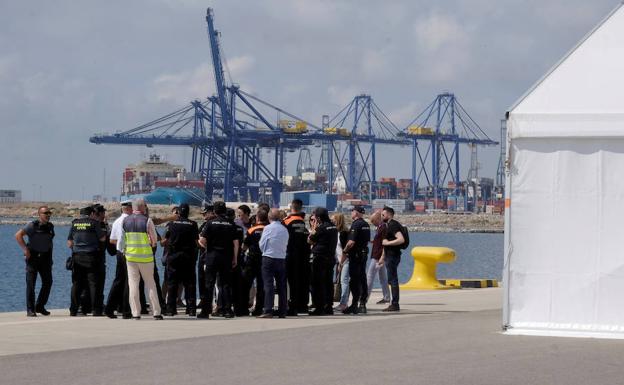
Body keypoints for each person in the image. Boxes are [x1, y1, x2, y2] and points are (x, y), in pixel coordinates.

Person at [120, 198, 163, 320]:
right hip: (145, 257)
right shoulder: (147, 221)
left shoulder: (125, 221)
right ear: (142, 207)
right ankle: (156, 312)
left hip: (131, 257)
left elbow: (122, 241)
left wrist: (125, 251)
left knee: (133, 284)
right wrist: (152, 245)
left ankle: (135, 313)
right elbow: (154, 239)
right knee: (150, 284)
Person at [198, 201, 239, 319]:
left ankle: (205, 311)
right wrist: (235, 258)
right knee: (225, 284)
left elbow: (202, 241)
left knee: (209, 284)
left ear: (214, 211)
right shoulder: (231, 224)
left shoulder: (210, 223)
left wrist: (208, 248)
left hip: (212, 256)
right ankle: (227, 310)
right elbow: (235, 243)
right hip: (226, 257)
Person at [15, 206, 55, 317]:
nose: (48, 215)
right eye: (45, 213)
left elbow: (49, 243)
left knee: (48, 282)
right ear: (39, 214)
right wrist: (25, 249)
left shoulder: (50, 227)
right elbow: (18, 236)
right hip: (33, 258)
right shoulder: (32, 225)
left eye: (49, 213)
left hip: (46, 258)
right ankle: (30, 310)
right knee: (31, 284)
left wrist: (50, 258)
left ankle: (40, 306)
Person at [67, 206, 106, 316]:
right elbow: (102, 238)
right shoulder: (94, 223)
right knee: (93, 284)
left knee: (76, 284)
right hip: (91, 256)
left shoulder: (74, 223)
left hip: (77, 257)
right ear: (92, 214)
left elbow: (69, 243)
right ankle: (95, 310)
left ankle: (73, 310)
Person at [162, 203, 199, 317]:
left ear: (178, 212)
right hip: (188, 257)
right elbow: (196, 242)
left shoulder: (171, 224)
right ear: (188, 213)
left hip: (174, 256)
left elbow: (163, 241)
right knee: (190, 284)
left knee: (172, 283)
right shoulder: (193, 224)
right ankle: (191, 309)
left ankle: (171, 309)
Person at [258, 208, 289, 318]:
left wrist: (265, 251)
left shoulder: (268, 228)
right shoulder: (284, 229)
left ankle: (268, 310)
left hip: (269, 257)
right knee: (281, 285)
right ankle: (282, 310)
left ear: (269, 217)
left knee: (268, 284)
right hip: (281, 258)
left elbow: (262, 244)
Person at [105, 200, 133, 319]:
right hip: (129, 253)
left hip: (119, 253)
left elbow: (112, 240)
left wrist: (121, 244)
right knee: (129, 282)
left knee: (118, 280)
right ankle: (126, 310)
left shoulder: (117, 221)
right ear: (129, 208)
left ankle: (110, 308)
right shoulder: (130, 220)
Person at [308, 207, 338, 315]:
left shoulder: (321, 228)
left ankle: (319, 307)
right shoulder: (333, 227)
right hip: (330, 258)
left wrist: (314, 228)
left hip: (319, 258)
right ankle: (328, 306)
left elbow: (310, 240)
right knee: (328, 283)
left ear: (319, 217)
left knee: (317, 283)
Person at [341, 205, 370, 315]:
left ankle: (354, 305)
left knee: (354, 280)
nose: (351, 213)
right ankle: (362, 304)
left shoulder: (356, 224)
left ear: (357, 212)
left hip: (355, 255)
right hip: (363, 254)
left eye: (352, 211)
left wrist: (344, 251)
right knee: (363, 278)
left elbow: (351, 242)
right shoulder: (366, 224)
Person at [283, 199, 310, 315]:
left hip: (289, 255)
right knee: (299, 281)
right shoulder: (302, 223)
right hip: (302, 256)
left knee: (288, 282)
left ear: (291, 208)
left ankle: (290, 306)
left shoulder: (287, 222)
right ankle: (300, 305)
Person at [242, 209, 268, 316]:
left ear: (257, 218)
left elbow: (244, 246)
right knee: (261, 285)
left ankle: (243, 308)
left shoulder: (252, 230)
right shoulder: (268, 229)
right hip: (264, 259)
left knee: (246, 284)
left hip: (252, 259)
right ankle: (259, 309)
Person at [380, 206, 405, 312]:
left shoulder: (393, 225)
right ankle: (394, 303)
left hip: (393, 255)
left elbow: (401, 239)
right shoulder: (389, 225)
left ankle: (395, 304)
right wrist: (382, 257)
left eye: (383, 214)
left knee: (393, 280)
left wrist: (388, 243)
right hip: (390, 255)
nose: (381, 216)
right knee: (391, 279)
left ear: (389, 214)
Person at [367, 211, 391, 304]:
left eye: (373, 221)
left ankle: (365, 298)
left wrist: (382, 256)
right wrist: (374, 241)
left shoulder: (383, 228)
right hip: (379, 255)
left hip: (378, 256)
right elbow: (381, 240)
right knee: (383, 277)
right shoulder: (380, 227)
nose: (373, 224)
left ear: (378, 219)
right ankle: (386, 297)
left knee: (370, 276)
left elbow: (385, 243)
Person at [228, 207, 248, 316]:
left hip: (227, 257)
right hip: (239, 257)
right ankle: (238, 308)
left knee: (225, 284)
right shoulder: (239, 228)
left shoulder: (228, 227)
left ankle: (225, 307)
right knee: (237, 283)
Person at [331, 213, 350, 312]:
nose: (332, 221)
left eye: (333, 219)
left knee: (344, 281)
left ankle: (343, 303)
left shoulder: (343, 233)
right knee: (342, 281)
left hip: (346, 260)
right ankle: (343, 302)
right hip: (341, 260)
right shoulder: (336, 232)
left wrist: (341, 263)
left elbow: (344, 250)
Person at [196, 204, 214, 309]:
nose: (203, 216)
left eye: (205, 213)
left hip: (208, 254)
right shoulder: (204, 225)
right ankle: (203, 300)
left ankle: (209, 302)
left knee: (210, 281)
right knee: (202, 279)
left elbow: (201, 239)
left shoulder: (211, 225)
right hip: (202, 255)